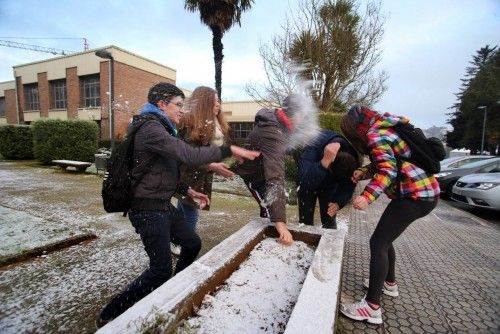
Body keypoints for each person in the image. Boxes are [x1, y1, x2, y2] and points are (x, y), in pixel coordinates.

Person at [97, 82, 259, 326]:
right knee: (159, 269)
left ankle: (173, 288)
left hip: (160, 204)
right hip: (147, 208)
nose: (182, 111)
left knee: (192, 243)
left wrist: (188, 190)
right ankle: (110, 313)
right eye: (178, 105)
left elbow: (165, 170)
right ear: (162, 104)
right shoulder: (150, 128)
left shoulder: (162, 127)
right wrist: (229, 150)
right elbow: (188, 154)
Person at [339, 105, 440, 324]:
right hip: (424, 193)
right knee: (385, 239)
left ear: (356, 129)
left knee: (378, 243)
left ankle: (371, 307)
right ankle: (389, 283)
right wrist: (364, 172)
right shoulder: (386, 127)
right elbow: (387, 161)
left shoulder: (374, 134)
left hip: (415, 195)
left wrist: (367, 196)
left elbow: (388, 170)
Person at [235, 95, 311, 246]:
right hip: (255, 176)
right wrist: (280, 222)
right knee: (269, 212)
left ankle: (269, 235)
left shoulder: (279, 122)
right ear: (296, 113)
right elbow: (275, 177)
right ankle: (268, 242)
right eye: (303, 116)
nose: (303, 121)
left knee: (270, 210)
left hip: (262, 171)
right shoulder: (273, 131)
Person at [173, 86, 234, 254]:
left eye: (218, 101)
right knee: (191, 210)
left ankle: (176, 238)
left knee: (183, 205)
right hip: (188, 175)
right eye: (213, 101)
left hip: (200, 175)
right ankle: (186, 244)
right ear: (203, 103)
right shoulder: (190, 123)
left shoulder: (214, 123)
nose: (218, 105)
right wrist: (210, 165)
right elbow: (187, 155)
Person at [296, 129, 358, 229]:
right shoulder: (312, 148)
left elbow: (350, 183)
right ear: (330, 167)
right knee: (305, 221)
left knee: (329, 218)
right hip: (308, 182)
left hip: (329, 186)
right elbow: (303, 184)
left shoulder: (351, 154)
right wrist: (323, 163)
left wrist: (339, 202)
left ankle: (330, 237)